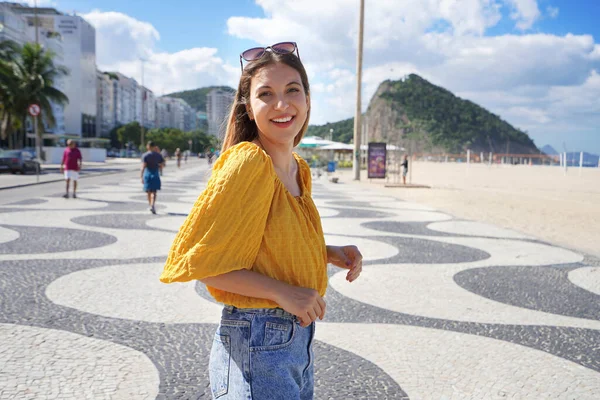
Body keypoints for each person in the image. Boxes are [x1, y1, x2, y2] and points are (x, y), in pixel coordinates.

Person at [159, 42, 363, 399]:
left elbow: (268, 243)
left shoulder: (297, 168)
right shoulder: (249, 162)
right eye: (266, 94)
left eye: (292, 90)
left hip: (290, 340)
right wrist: (283, 292)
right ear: (249, 109)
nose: (282, 104)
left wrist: (328, 251)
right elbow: (205, 264)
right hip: (258, 338)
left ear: (308, 99)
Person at [141, 141, 165, 214]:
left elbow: (143, 166)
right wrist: (159, 168)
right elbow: (162, 165)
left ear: (148, 146)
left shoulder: (145, 155)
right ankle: (152, 204)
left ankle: (150, 205)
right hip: (155, 173)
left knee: (148, 191)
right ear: (154, 146)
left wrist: (141, 176)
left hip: (147, 173)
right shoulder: (158, 155)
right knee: (154, 192)